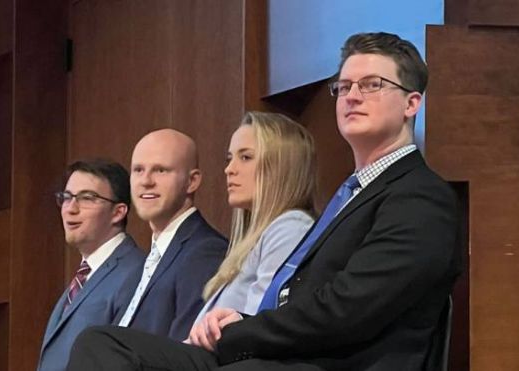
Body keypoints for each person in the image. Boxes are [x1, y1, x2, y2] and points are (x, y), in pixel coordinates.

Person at [67, 32, 462, 371]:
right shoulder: (351, 193)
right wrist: (240, 321)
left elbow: (349, 310)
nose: (352, 96)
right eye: (343, 87)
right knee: (103, 346)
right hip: (283, 357)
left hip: (334, 362)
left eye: (372, 84)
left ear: (412, 103)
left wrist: (241, 332)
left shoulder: (420, 198)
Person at [190, 111, 315, 335]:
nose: (229, 169)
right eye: (230, 158)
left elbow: (257, 327)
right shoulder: (258, 239)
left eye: (245, 157)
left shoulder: (291, 228)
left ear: (280, 166)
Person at [113, 128, 228, 341]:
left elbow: (183, 354)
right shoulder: (147, 260)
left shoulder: (206, 251)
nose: (146, 180)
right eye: (138, 170)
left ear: (192, 181)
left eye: (160, 170)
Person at [37, 159, 145, 371]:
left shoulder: (136, 272)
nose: (71, 208)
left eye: (87, 198)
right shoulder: (84, 276)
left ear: (118, 212)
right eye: (66, 198)